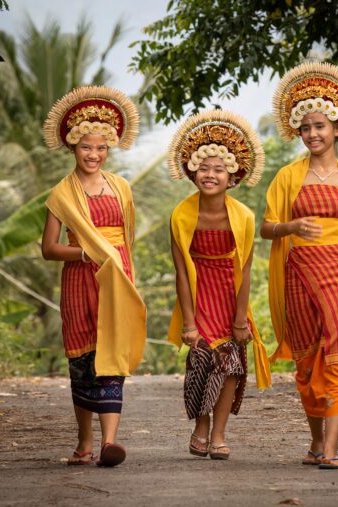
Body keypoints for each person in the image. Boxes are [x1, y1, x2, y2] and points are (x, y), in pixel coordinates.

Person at [260, 62, 338, 469]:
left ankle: (330, 450)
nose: (312, 134)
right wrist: (291, 226)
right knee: (308, 362)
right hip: (299, 273)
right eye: (306, 128)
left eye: (320, 126)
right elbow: (266, 227)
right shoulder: (287, 177)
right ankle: (315, 444)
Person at [40, 86, 147, 467]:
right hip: (79, 280)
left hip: (116, 277)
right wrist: (84, 252)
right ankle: (84, 442)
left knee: (111, 355)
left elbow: (127, 237)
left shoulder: (121, 188)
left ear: (109, 149)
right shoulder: (61, 194)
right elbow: (49, 248)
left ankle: (109, 443)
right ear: (73, 147)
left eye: (101, 148)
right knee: (83, 359)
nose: (94, 155)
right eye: (87, 147)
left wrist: (120, 270)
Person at [167, 109, 272, 460]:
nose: (210, 175)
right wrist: (188, 321)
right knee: (200, 362)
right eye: (204, 168)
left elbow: (245, 270)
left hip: (229, 295)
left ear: (233, 176)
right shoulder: (181, 214)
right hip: (198, 295)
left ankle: (219, 434)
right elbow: (182, 271)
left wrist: (241, 319)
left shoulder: (243, 216)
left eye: (219, 169)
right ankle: (200, 426)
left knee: (230, 366)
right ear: (192, 170)